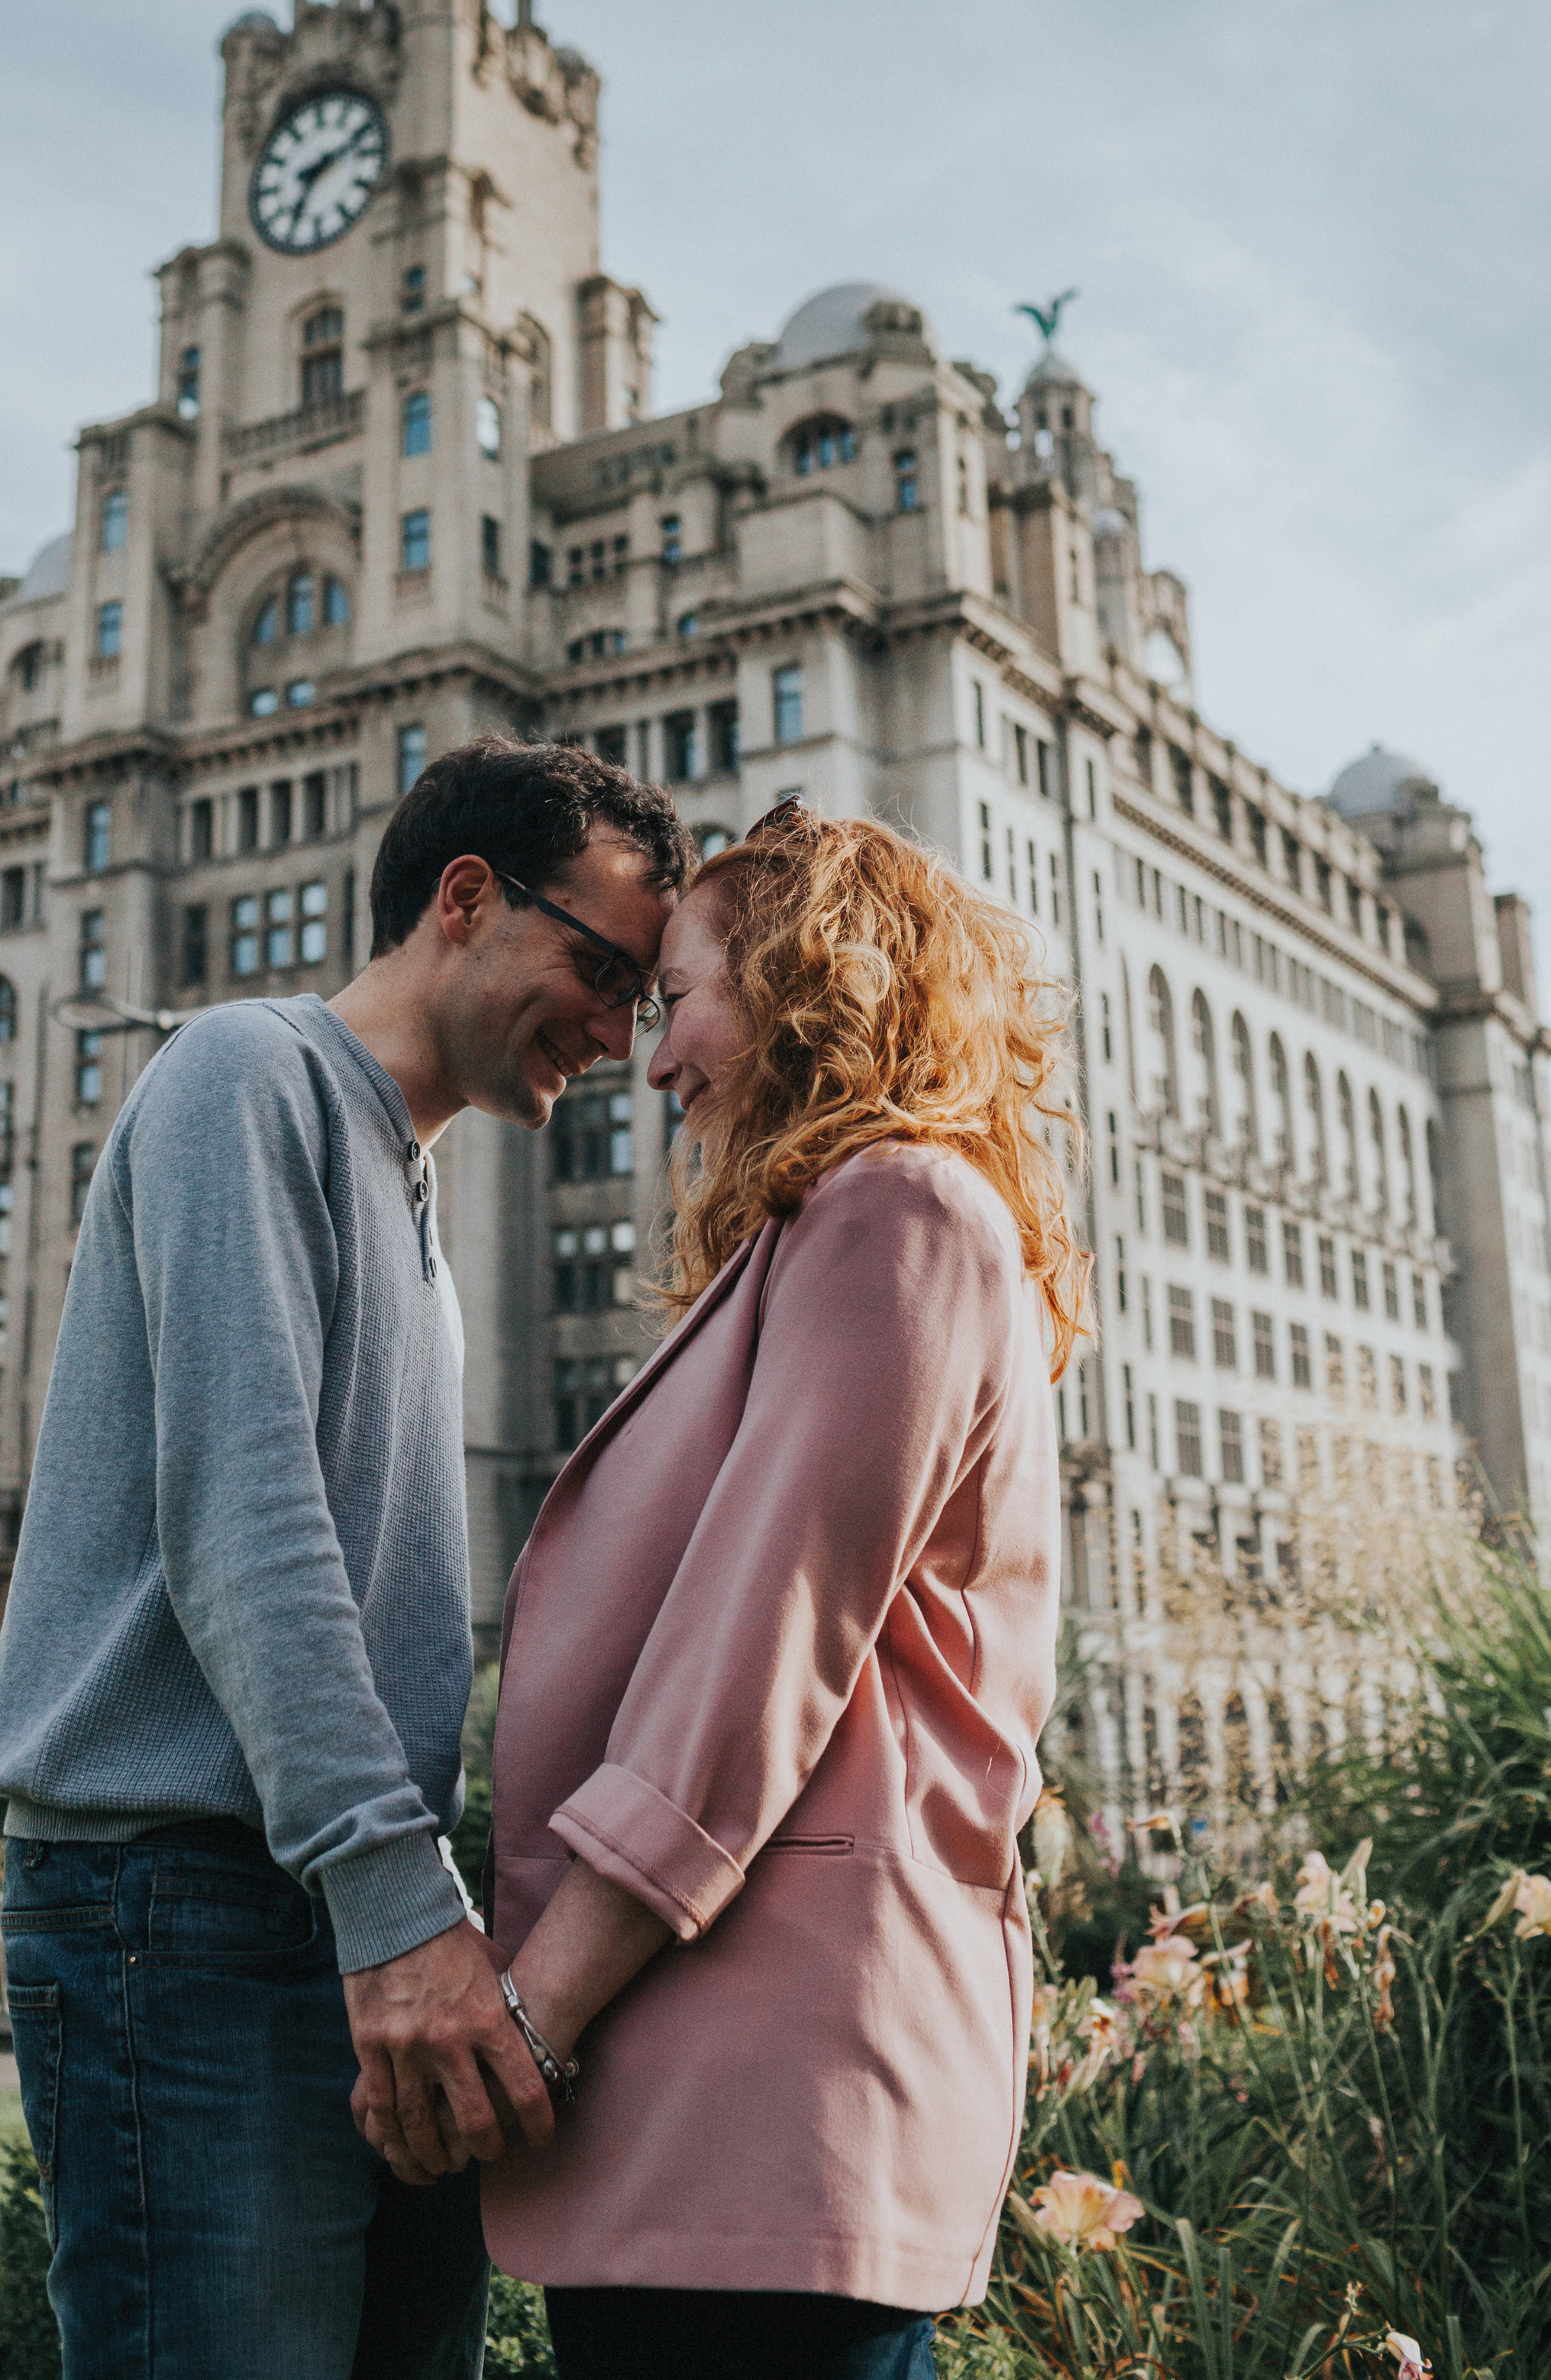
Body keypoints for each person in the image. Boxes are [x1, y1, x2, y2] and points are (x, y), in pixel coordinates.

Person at [0, 738, 693, 2380]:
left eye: (642, 1000)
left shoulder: (412, 1196)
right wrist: (399, 1904)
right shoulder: (244, 1075)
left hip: (330, 1899)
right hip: (181, 1903)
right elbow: (249, 1524)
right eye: (597, 968)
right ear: (462, 900)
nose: (613, 1033)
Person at [466, 802, 1087, 2380]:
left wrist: (521, 2020)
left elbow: (751, 1658)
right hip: (726, 2104)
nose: (651, 1059)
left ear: (814, 981)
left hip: (777, 2099)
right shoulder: (838, 1228)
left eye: (679, 999)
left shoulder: (902, 1211)